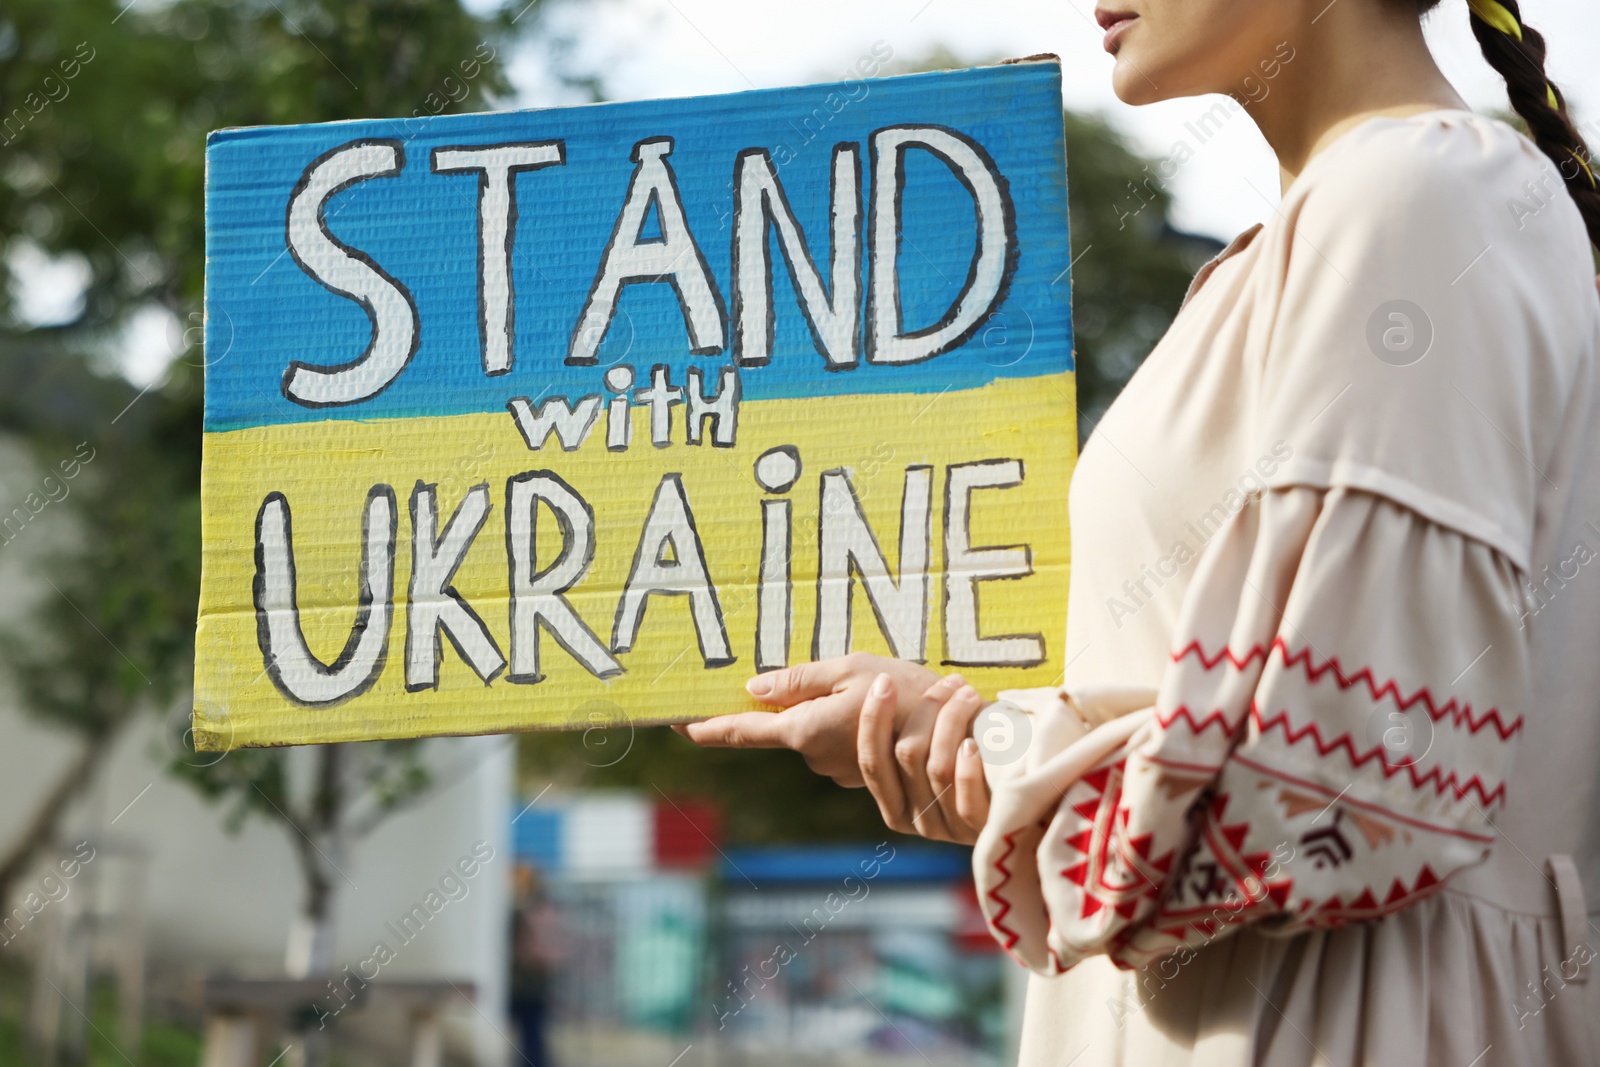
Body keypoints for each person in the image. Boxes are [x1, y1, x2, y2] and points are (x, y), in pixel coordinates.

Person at [677, 0, 1600, 1063]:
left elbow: (1338, 796)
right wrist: (957, 741)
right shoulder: (1338, 223)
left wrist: (984, 740)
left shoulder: (1415, 193)